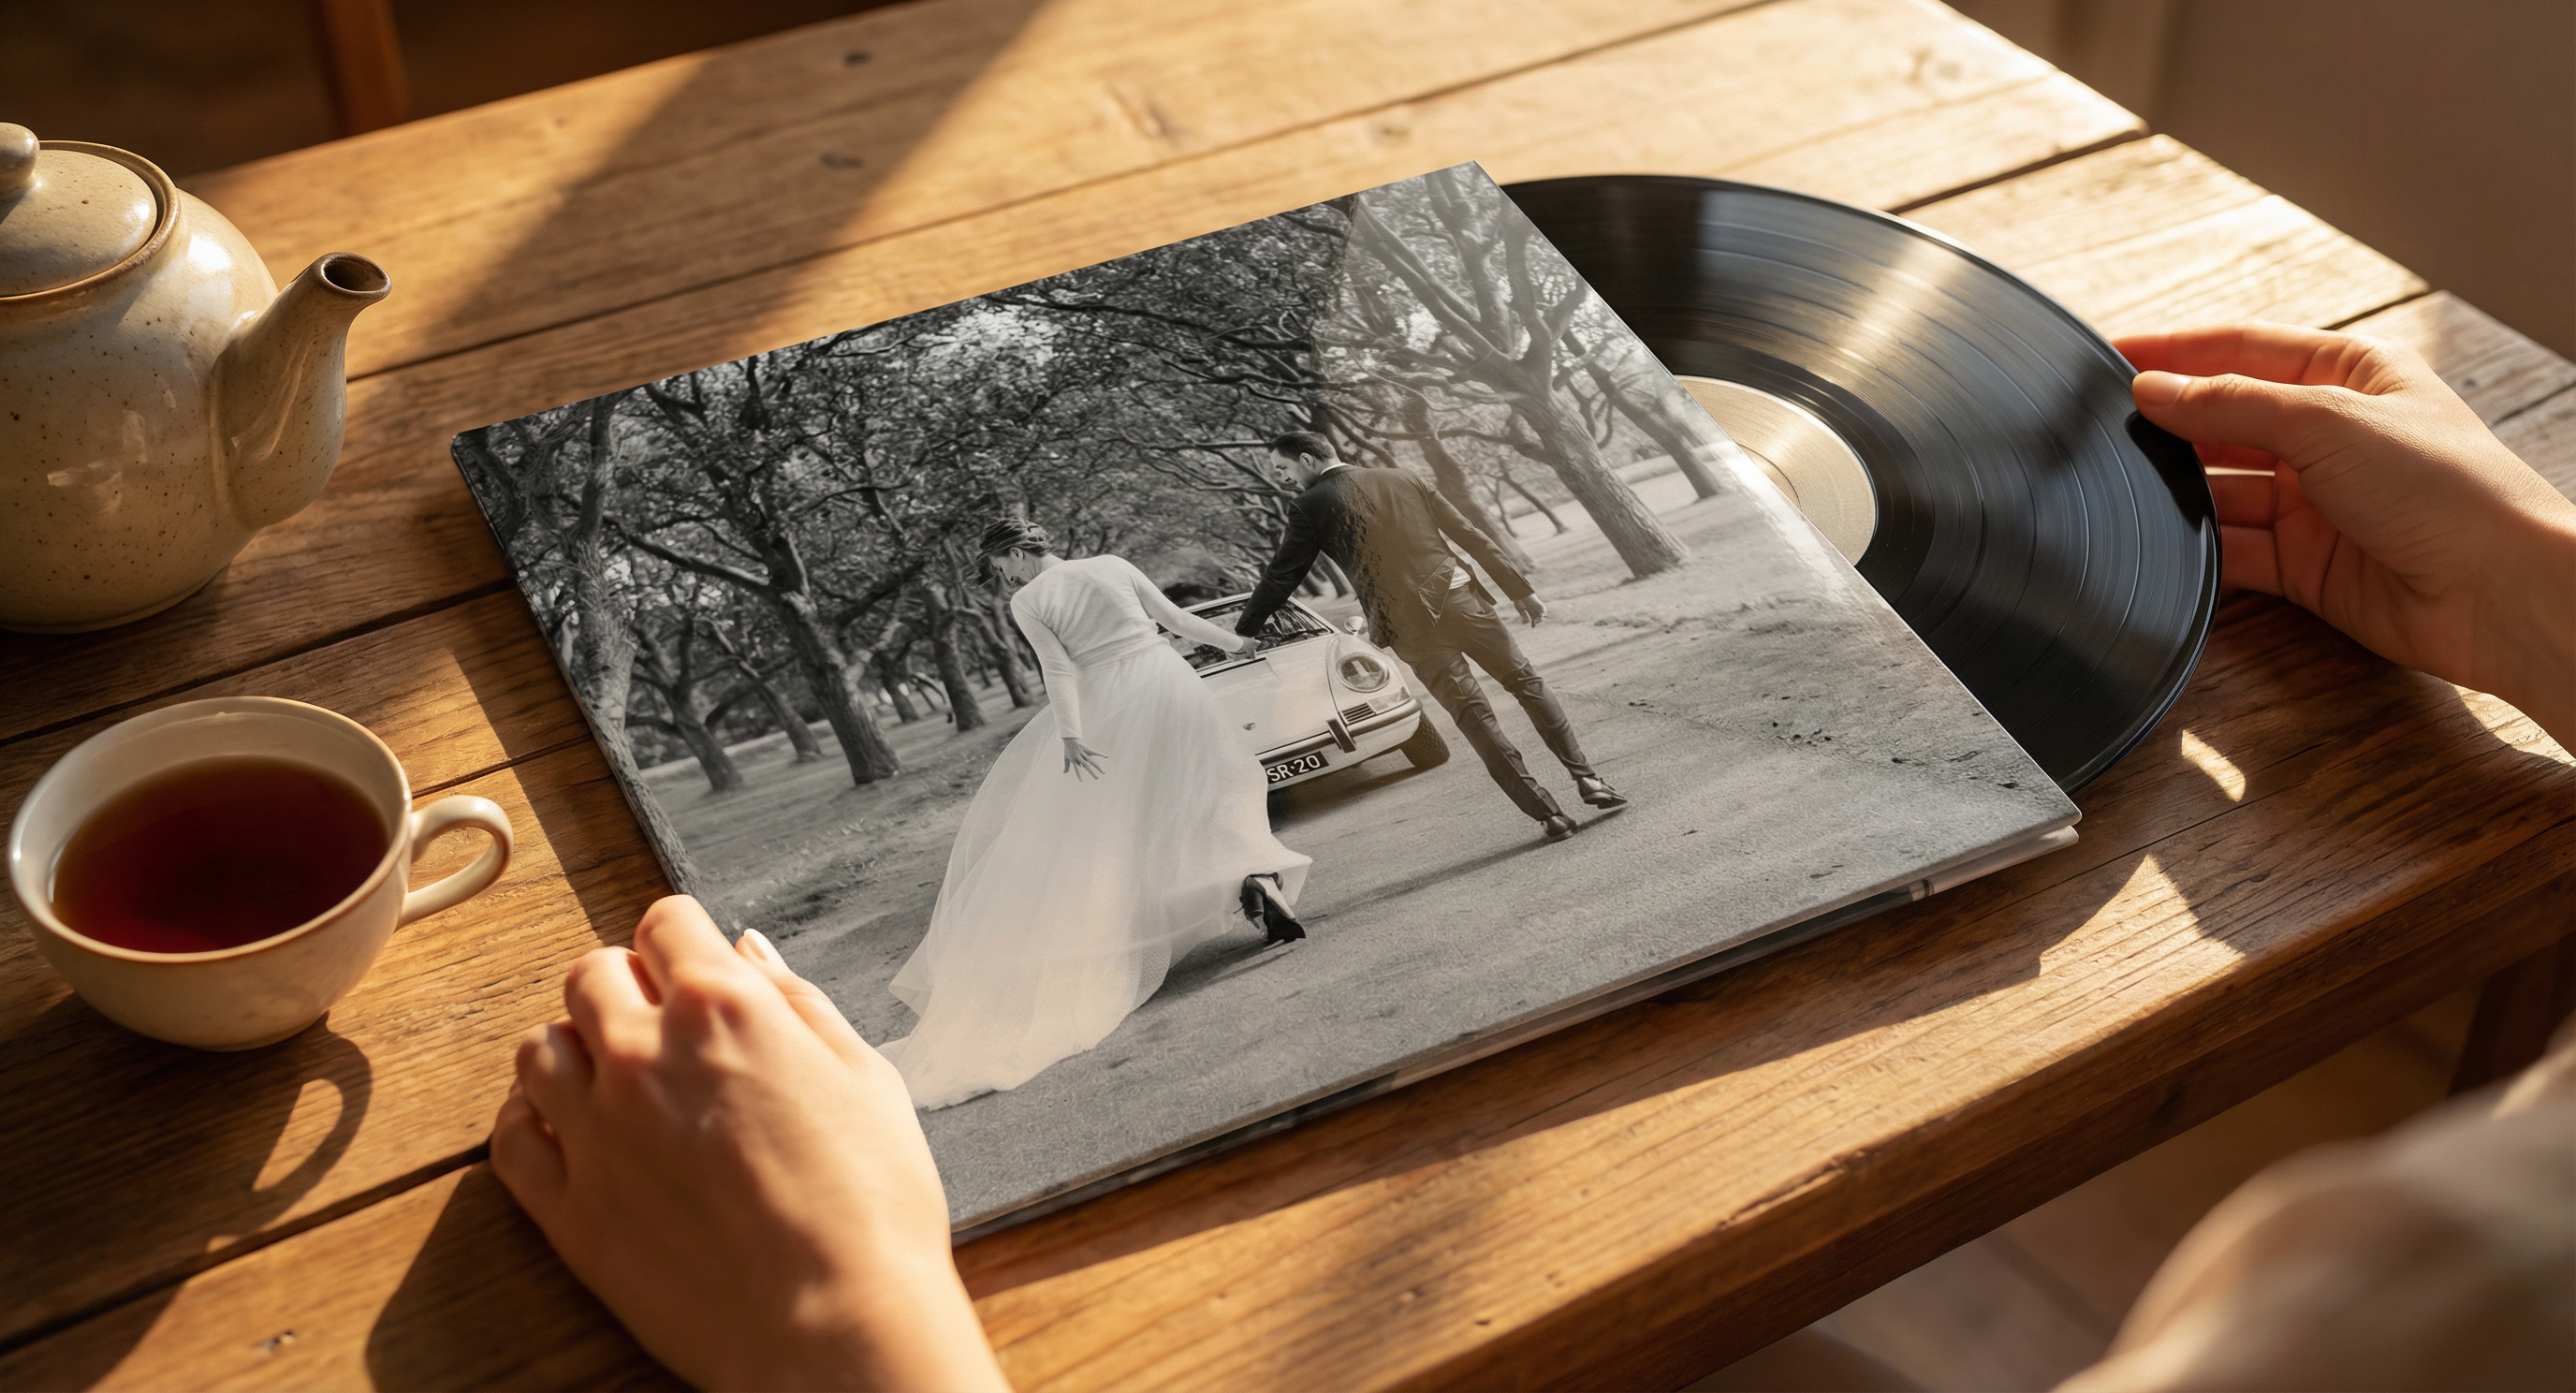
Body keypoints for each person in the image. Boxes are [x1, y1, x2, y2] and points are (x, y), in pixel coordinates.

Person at [493, 323, 2576, 1389]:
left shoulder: (2437, 1298)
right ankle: (1348, 849)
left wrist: (852, 1342)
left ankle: (1363, 844)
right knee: (1258, 779)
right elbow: (1210, 609)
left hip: (1261, 672)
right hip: (1241, 676)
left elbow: (1229, 605)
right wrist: (2537, 603)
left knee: (1251, 781)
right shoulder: (1129, 562)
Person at [874, 519, 1313, 1111]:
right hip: (1171, 682)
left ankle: (1209, 893)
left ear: (1014, 553)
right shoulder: (1112, 564)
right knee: (1203, 791)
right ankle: (1253, 874)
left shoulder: (1030, 599)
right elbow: (1177, 623)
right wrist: (1240, 645)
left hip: (1113, 700)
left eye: (1000, 566)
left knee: (1132, 818)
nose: (1002, 578)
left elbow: (1059, 670)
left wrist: (1072, 736)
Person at [1234, 431, 1624, 843]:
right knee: (1527, 684)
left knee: (1474, 717)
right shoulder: (1403, 478)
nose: (1284, 478)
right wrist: (1520, 590)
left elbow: (1283, 575)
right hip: (1462, 602)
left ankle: (1549, 816)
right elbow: (1469, 533)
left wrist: (1246, 632)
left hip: (1407, 625)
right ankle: (1589, 780)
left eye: (1284, 468)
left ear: (1308, 460)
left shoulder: (1308, 506)